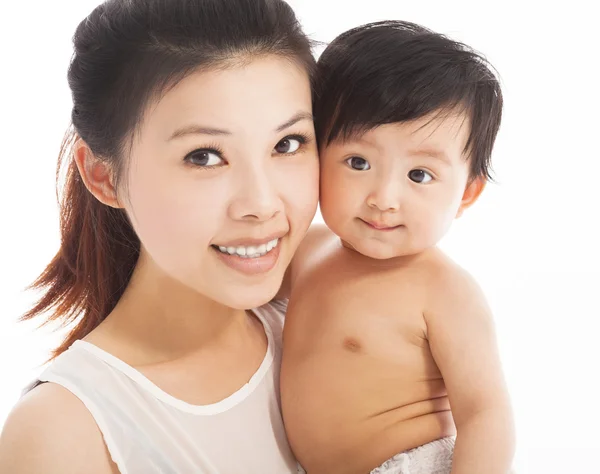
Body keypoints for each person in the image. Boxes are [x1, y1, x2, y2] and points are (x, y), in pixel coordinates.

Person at [0, 0, 320, 472]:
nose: (262, 203)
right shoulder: (66, 434)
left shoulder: (333, 322)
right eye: (205, 156)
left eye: (287, 144)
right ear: (104, 176)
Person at [281, 21, 515, 474]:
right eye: (358, 162)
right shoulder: (308, 250)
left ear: (466, 194)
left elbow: (486, 412)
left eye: (419, 175)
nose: (383, 198)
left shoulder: (444, 291)